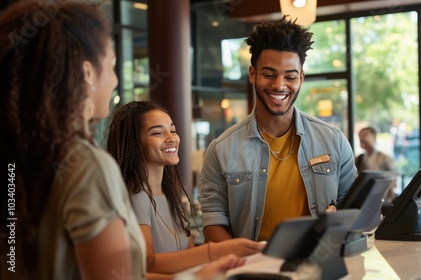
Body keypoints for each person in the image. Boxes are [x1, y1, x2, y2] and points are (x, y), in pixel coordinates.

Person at [0, 1, 244, 279]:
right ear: (88, 73)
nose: (116, 80)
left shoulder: (20, 160)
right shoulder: (88, 166)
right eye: (112, 66)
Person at [199, 16, 358, 243]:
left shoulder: (333, 140)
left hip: (321, 264)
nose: (279, 85)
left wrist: (339, 219)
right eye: (269, 74)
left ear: (301, 78)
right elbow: (214, 224)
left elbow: (353, 209)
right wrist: (250, 261)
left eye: (290, 77)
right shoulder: (221, 150)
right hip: (253, 271)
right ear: (253, 74)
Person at [106, 100, 265, 276]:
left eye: (173, 130)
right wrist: (215, 251)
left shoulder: (171, 196)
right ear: (134, 143)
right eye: (158, 133)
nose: (171, 138)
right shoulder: (136, 196)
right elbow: (146, 262)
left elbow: (188, 259)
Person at [356, 126, 397, 203]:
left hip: (382, 197)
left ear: (374, 137)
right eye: (360, 136)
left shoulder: (384, 157)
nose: (362, 138)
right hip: (365, 198)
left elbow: (394, 179)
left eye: (365, 135)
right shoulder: (359, 158)